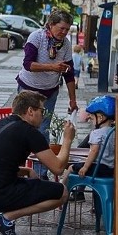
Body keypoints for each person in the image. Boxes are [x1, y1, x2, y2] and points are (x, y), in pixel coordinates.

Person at [0, 90, 76, 235]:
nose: (43, 115)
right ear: (30, 111)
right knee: (62, 193)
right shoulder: (29, 132)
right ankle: (4, 220)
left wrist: (26, 170)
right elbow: (58, 168)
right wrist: (67, 140)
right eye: (42, 110)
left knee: (20, 182)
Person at [15, 9, 78, 141]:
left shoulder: (65, 44)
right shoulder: (36, 37)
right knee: (24, 125)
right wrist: (53, 67)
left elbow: (69, 74)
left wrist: (72, 100)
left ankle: (40, 161)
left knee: (44, 128)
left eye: (67, 29)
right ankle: (22, 157)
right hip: (29, 88)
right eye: (62, 28)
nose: (64, 32)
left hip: (49, 91)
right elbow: (28, 64)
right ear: (51, 24)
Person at [69, 95, 116, 179]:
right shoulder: (114, 132)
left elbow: (94, 150)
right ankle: (80, 190)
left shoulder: (96, 133)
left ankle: (64, 189)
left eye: (92, 118)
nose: (90, 119)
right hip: (110, 169)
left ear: (100, 118)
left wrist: (85, 167)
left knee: (72, 168)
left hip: (98, 168)